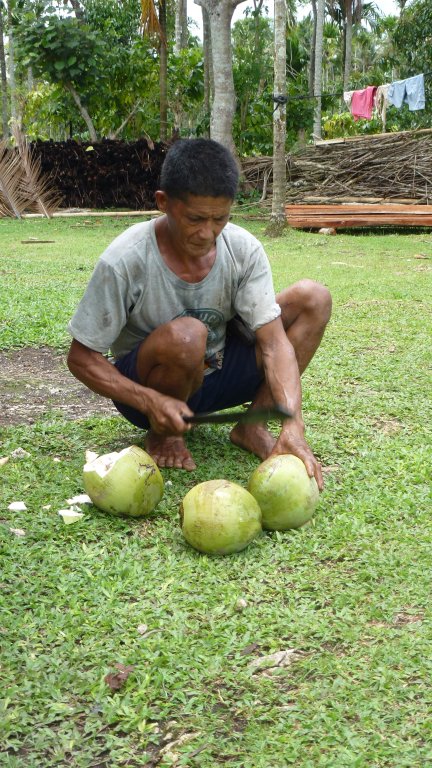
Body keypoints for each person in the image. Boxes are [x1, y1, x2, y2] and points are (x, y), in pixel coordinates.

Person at [67, 138, 331, 488]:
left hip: (217, 373)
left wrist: (292, 422)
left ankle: (251, 426)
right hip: (149, 388)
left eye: (219, 218)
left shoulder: (243, 249)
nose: (207, 233)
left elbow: (274, 344)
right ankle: (163, 434)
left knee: (314, 298)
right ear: (163, 202)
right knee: (188, 335)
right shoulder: (125, 259)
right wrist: (150, 400)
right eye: (195, 218)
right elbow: (81, 357)